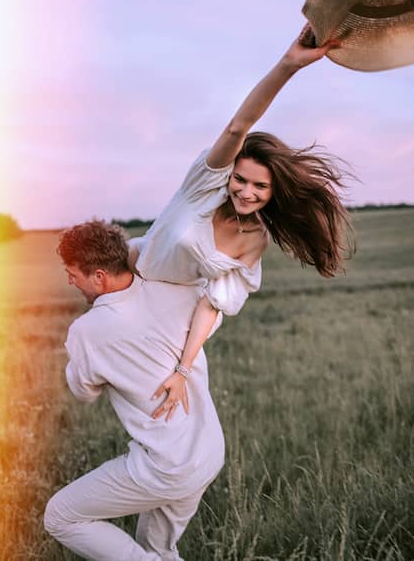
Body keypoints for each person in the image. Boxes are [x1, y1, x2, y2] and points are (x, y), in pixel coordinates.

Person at [128, 37, 355, 419]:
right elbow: (238, 127)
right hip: (130, 280)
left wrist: (183, 370)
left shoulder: (254, 239)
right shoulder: (205, 184)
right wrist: (289, 64)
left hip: (170, 319)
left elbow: (211, 303)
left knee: (167, 421)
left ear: (273, 190)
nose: (246, 192)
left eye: (260, 186)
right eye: (241, 179)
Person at [44, 220, 225, 561]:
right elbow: (212, 319)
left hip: (166, 466)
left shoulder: (87, 331)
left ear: (99, 276)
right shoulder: (172, 289)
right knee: (158, 549)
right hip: (209, 452)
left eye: (73, 274)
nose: (70, 281)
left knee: (60, 516)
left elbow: (84, 392)